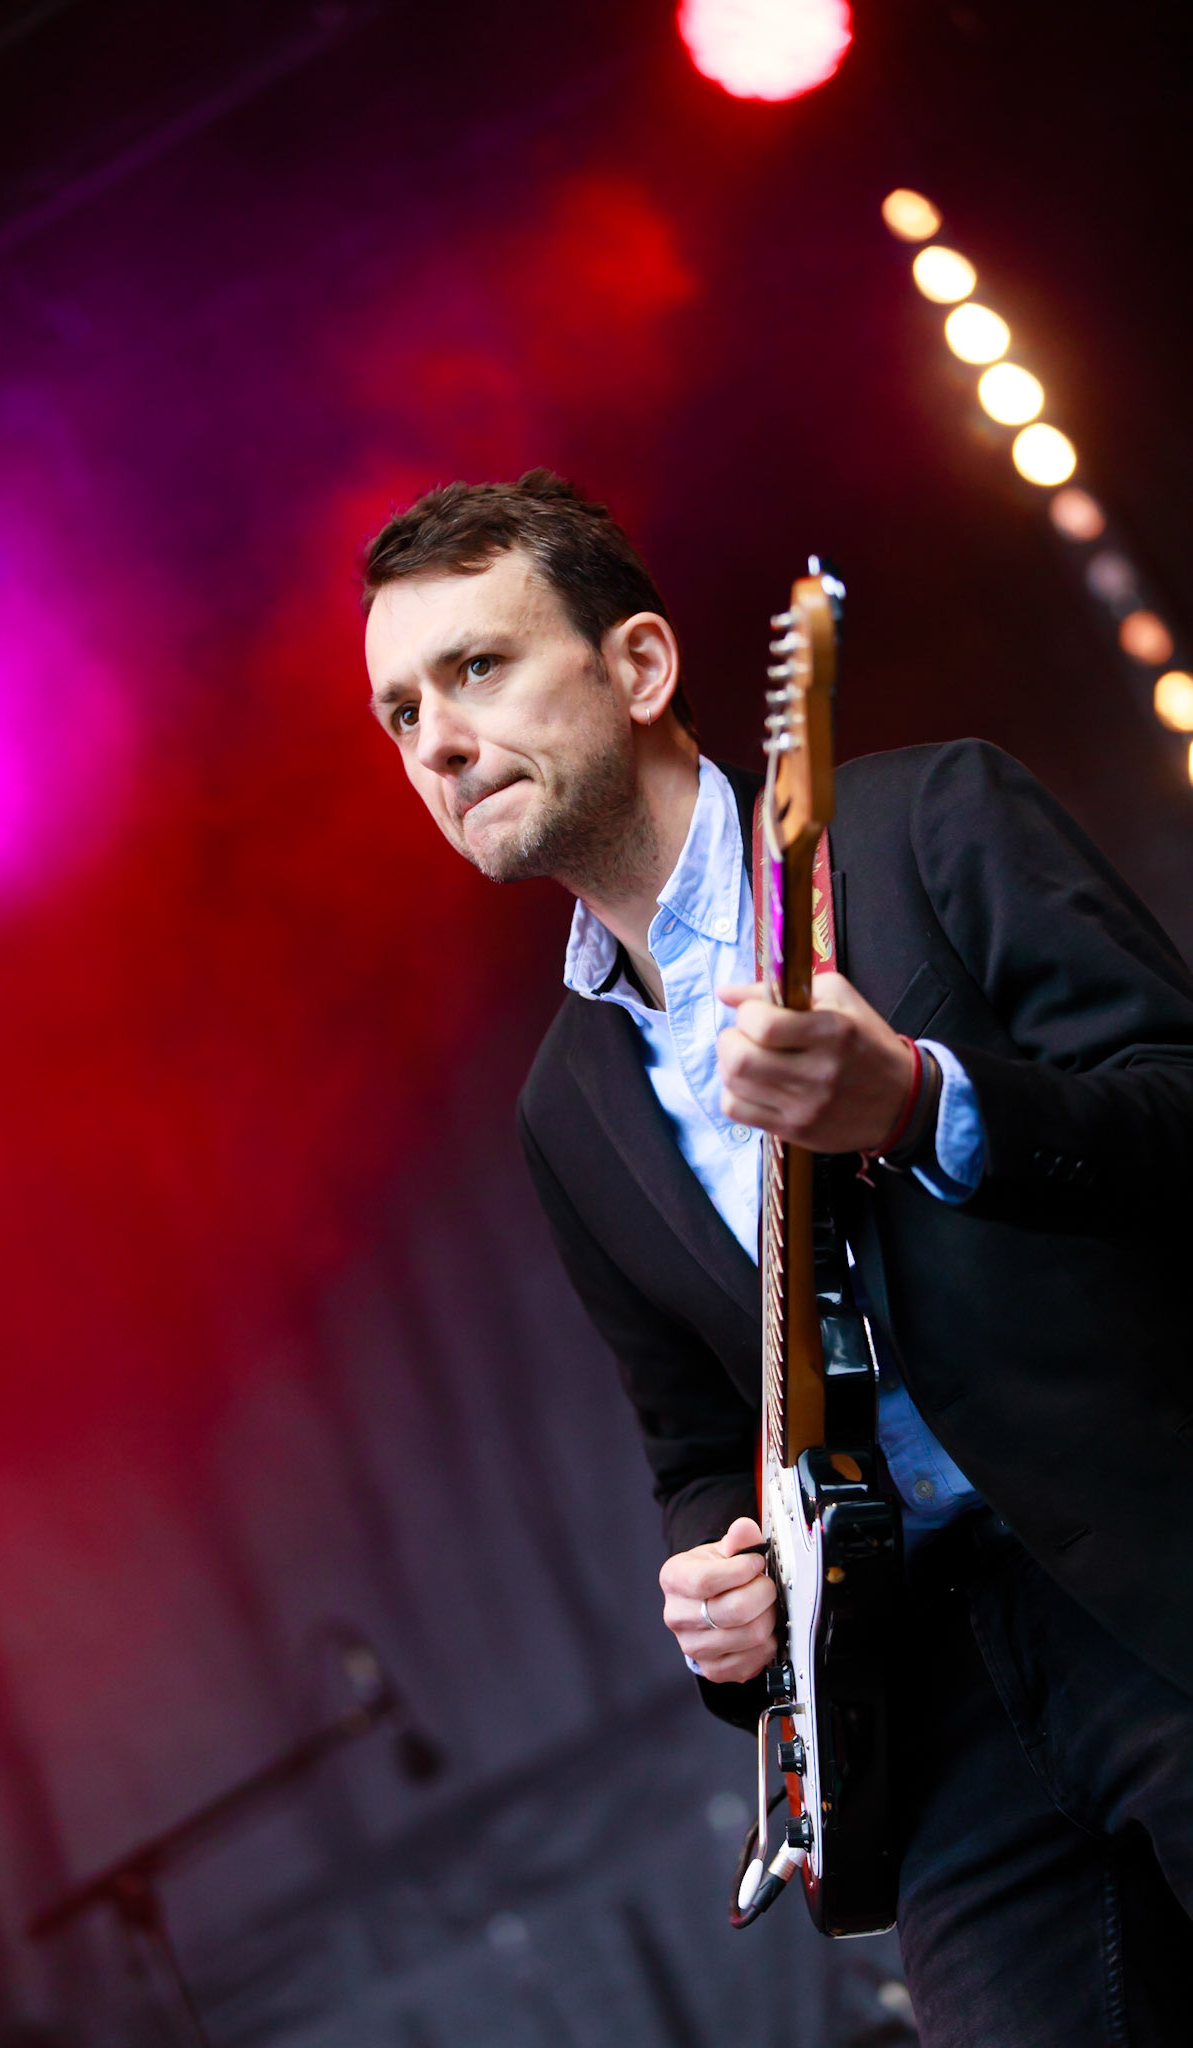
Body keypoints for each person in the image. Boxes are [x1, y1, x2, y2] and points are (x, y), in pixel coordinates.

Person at [360, 469, 1193, 2045]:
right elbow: (692, 1448)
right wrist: (717, 1600)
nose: (438, 743)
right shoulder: (565, 1107)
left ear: (641, 665)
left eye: (476, 669)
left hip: (1152, 1573)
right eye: (400, 713)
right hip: (933, 1714)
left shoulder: (928, 821)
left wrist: (926, 1103)